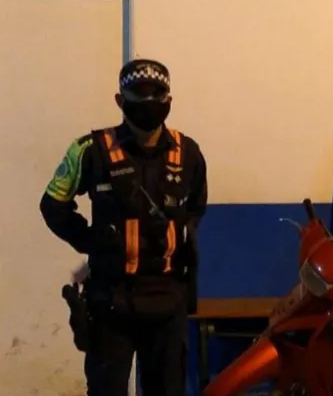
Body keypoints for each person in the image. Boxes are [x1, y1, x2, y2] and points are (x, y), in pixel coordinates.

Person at [40, 59, 208, 396]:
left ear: (169, 101)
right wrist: (91, 241)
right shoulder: (90, 151)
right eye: (138, 95)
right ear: (120, 100)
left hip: (168, 301)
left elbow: (195, 209)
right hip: (111, 302)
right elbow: (53, 204)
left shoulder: (188, 153)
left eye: (156, 95)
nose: (148, 103)